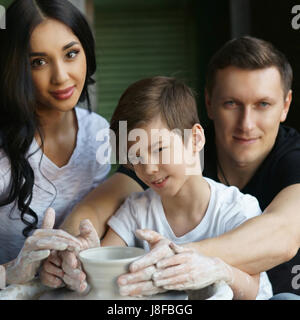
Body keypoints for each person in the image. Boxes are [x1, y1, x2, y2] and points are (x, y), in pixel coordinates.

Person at [42, 37, 300, 297]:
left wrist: (180, 261)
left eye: (263, 104)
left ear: (285, 105)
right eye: (231, 104)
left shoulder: (251, 194)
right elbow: (100, 206)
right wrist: (75, 253)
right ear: (209, 103)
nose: (246, 124)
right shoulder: (148, 185)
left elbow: (284, 234)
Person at [66, 76, 273, 299]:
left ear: (195, 139)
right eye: (136, 157)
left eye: (160, 149)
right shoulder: (137, 211)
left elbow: (253, 290)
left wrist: (220, 270)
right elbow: (104, 272)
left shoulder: (237, 210)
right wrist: (86, 258)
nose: (149, 168)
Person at [0, 0, 110, 287]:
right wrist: (12, 272)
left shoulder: (99, 133)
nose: (61, 76)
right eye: (39, 62)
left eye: (71, 54)